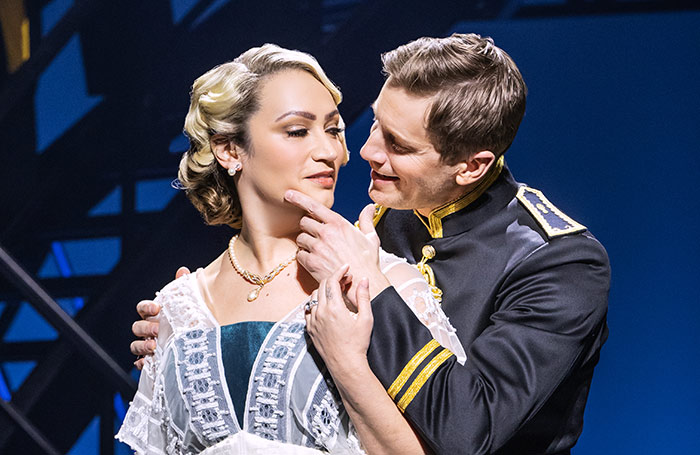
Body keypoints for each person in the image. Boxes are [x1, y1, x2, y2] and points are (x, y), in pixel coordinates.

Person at [133, 34, 610, 454]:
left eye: (398, 145)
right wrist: (205, 336)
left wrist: (375, 285)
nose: (363, 151)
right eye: (374, 124)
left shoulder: (558, 263)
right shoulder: (378, 220)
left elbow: (470, 432)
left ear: (471, 166)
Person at [117, 43, 464, 454]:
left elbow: (450, 440)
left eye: (334, 130)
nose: (330, 151)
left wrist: (346, 359)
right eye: (298, 131)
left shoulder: (384, 285)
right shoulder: (176, 306)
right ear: (230, 150)